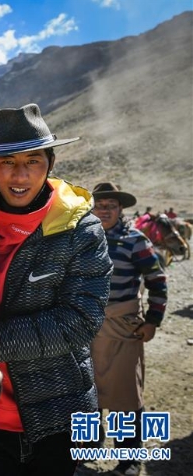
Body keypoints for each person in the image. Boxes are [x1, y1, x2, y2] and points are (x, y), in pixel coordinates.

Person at [0, 103, 112, 476]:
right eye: (7, 161)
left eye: (34, 160)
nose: (20, 174)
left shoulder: (80, 230)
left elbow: (80, 320)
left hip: (60, 411)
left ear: (50, 164)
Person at [90, 182, 167, 476]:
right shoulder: (81, 238)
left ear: (120, 209)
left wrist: (153, 321)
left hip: (123, 328)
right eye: (100, 205)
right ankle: (87, 446)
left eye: (111, 205)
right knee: (88, 392)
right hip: (87, 328)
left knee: (127, 397)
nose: (105, 210)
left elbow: (157, 280)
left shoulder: (136, 241)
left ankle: (129, 457)